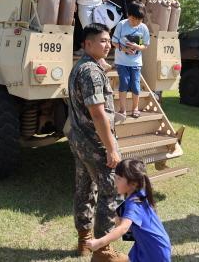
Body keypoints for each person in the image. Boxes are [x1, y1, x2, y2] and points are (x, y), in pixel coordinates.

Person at [67, 23, 127, 262]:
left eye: (109, 40)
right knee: (111, 193)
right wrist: (111, 148)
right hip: (96, 144)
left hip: (80, 141)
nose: (108, 44)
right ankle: (104, 252)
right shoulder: (91, 72)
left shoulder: (82, 66)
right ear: (87, 44)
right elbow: (98, 113)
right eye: (102, 41)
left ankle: (84, 241)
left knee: (84, 189)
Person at [85, 159, 172, 262]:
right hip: (145, 245)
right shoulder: (138, 193)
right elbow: (124, 224)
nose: (115, 181)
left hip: (155, 250)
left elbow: (123, 228)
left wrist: (99, 243)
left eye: (119, 179)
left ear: (133, 183)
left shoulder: (134, 204)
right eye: (115, 177)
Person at [111, 1, 150, 119]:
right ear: (128, 15)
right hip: (122, 62)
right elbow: (113, 42)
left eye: (139, 20)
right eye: (133, 19)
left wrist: (139, 47)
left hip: (136, 63)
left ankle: (135, 108)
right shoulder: (122, 25)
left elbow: (146, 45)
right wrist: (124, 49)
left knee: (135, 86)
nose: (136, 23)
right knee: (124, 83)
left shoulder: (143, 28)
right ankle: (122, 110)